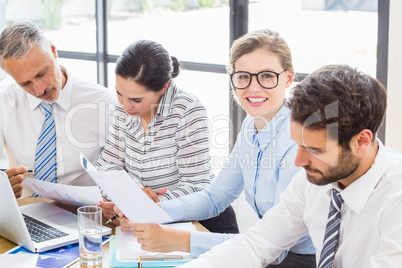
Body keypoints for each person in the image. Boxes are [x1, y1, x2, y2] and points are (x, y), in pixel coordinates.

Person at [115, 29, 316, 267]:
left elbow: (275, 248)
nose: (253, 88)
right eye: (243, 77)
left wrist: (182, 241)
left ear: (289, 78)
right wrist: (153, 210)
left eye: (267, 76)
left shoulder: (299, 141)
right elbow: (216, 196)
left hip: (300, 259)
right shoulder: (252, 126)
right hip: (267, 252)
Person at [179, 64, 402, 268]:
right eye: (298, 144)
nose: (299, 161)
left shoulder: (395, 199)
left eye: (316, 150)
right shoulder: (313, 180)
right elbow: (257, 244)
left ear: (361, 141)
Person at [95, 39, 239, 234]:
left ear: (163, 87)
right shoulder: (126, 110)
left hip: (202, 225)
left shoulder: (188, 110)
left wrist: (147, 204)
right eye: (119, 93)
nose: (125, 106)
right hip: (147, 224)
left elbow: (196, 187)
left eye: (136, 99)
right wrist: (131, 197)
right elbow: (106, 165)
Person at [0, 21, 115, 198]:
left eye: (41, 74)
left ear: (53, 51)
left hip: (84, 214)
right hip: (25, 212)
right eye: (25, 83)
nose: (39, 90)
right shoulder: (4, 98)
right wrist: (3, 189)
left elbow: (122, 174)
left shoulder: (102, 101)